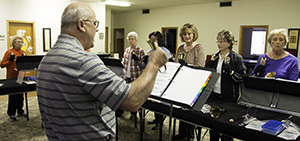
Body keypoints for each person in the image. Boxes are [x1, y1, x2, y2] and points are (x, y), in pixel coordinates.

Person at [36, 3, 167, 141]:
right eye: (95, 23)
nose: (97, 29)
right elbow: (132, 101)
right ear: (82, 25)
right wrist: (153, 64)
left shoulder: (46, 59)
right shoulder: (83, 61)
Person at [205, 30, 246, 141]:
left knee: (226, 126)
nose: (218, 44)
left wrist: (231, 72)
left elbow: (242, 78)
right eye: (218, 41)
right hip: (214, 95)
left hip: (229, 97)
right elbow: (208, 74)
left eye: (221, 41)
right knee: (213, 123)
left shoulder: (237, 58)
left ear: (229, 43)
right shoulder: (215, 57)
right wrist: (208, 65)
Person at [173, 23, 205, 140]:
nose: (187, 36)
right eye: (185, 34)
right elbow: (176, 63)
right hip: (181, 81)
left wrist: (187, 65)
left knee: (190, 110)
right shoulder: (180, 48)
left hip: (193, 83)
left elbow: (201, 66)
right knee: (181, 108)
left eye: (189, 34)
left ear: (194, 35)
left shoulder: (198, 48)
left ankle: (190, 135)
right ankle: (182, 132)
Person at [146, 31, 171, 130]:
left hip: (161, 78)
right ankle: (156, 119)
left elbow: (165, 64)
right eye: (150, 39)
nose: (151, 41)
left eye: (153, 40)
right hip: (152, 78)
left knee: (160, 103)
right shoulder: (150, 50)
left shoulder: (165, 51)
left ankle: (160, 122)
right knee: (154, 101)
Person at [119, 31, 145, 119]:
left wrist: (137, 60)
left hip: (136, 76)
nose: (130, 41)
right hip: (127, 76)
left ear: (136, 40)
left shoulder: (140, 50)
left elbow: (143, 65)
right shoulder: (126, 50)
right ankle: (126, 112)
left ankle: (134, 115)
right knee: (126, 96)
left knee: (135, 97)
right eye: (129, 39)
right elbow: (124, 63)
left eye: (132, 39)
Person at [1, 35, 27, 121]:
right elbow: (2, 65)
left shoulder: (24, 53)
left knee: (21, 95)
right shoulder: (9, 52)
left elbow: (27, 65)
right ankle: (11, 113)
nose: (20, 44)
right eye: (18, 42)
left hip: (21, 77)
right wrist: (10, 61)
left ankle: (20, 111)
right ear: (14, 43)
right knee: (12, 96)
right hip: (12, 77)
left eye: (21, 42)